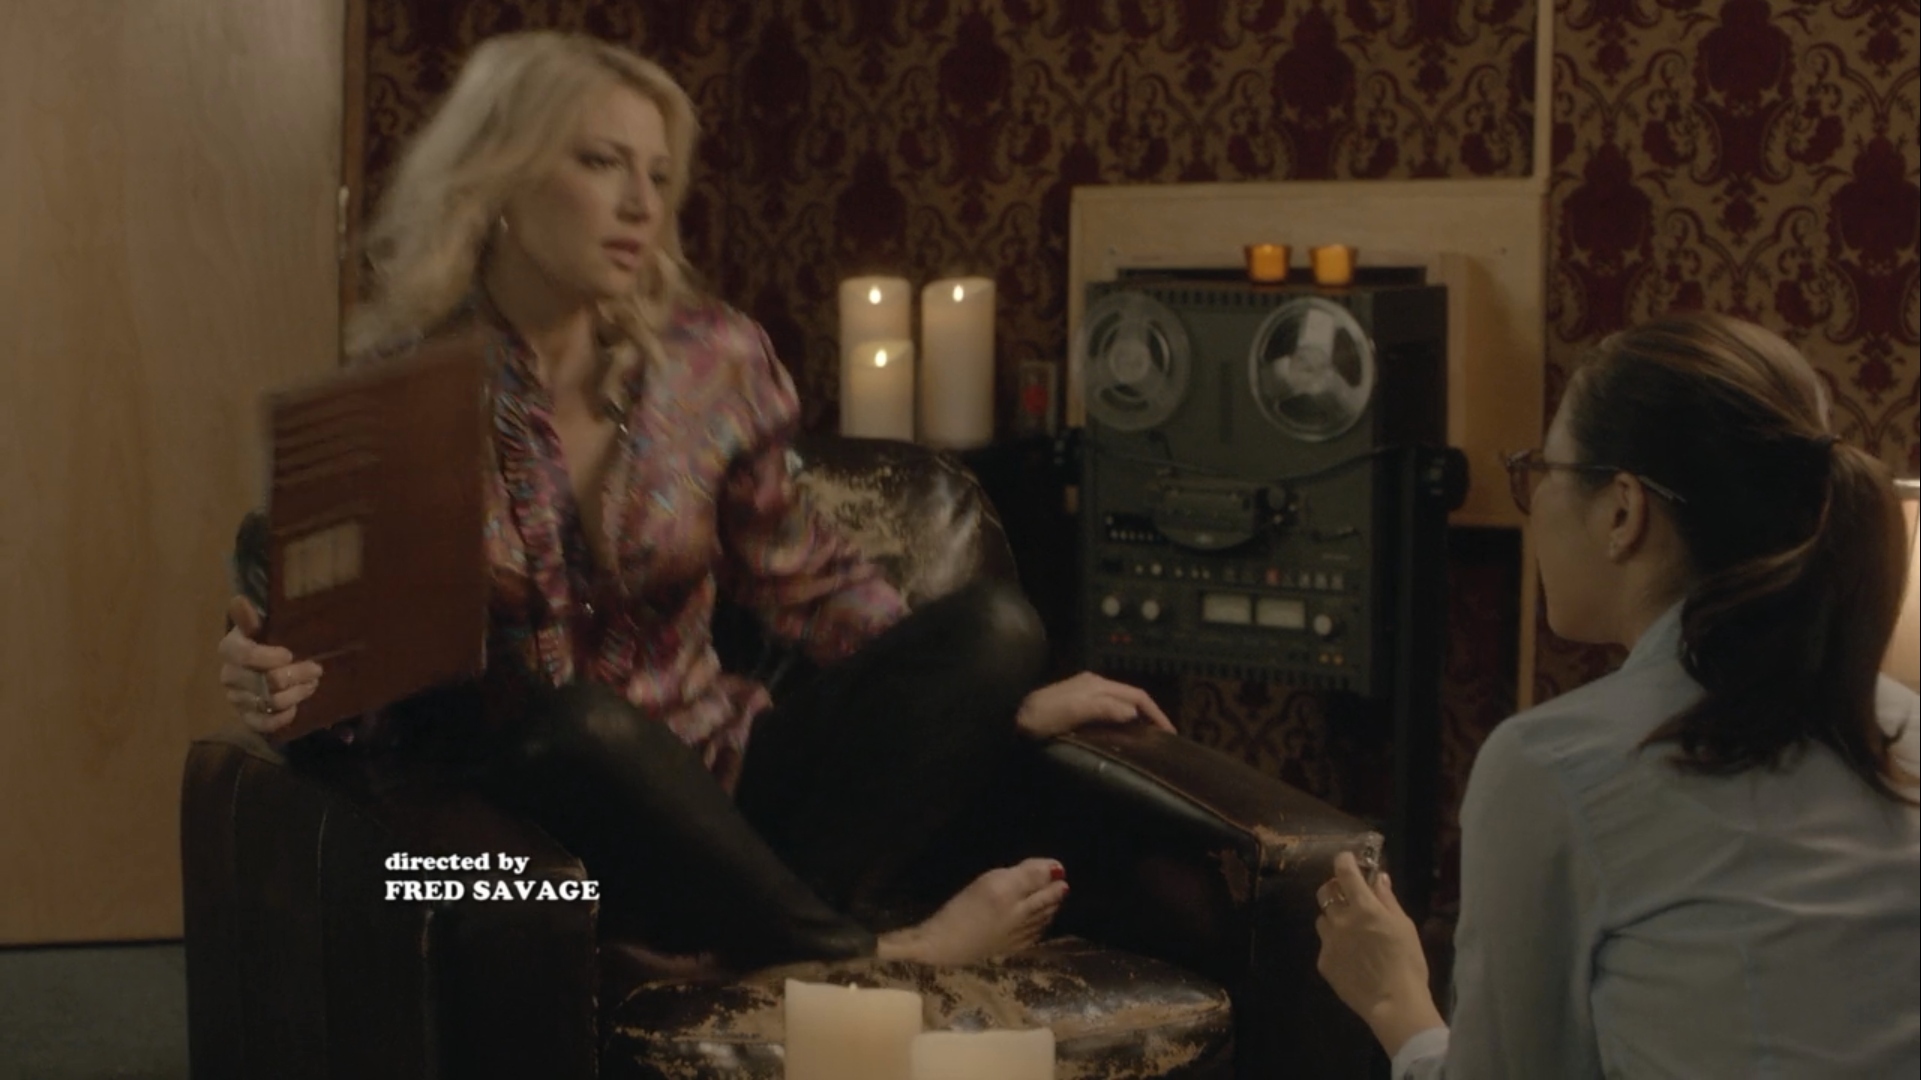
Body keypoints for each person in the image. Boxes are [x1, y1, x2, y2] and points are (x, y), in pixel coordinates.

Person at [213, 31, 1173, 972]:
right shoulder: (403, 398)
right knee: (585, 725)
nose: (641, 204)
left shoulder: (710, 363)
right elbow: (352, 680)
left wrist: (995, 700)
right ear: (500, 177)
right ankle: (869, 953)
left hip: (722, 794)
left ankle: (752, 948)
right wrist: (283, 682)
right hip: (530, 849)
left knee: (997, 627)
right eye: (601, 163)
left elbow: (805, 580)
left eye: (659, 175)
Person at [1314, 313, 1920, 1077]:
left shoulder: (1556, 766)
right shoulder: (1904, 728)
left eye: (1542, 469)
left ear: (1623, 511)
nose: (1535, 498)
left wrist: (1395, 1003)